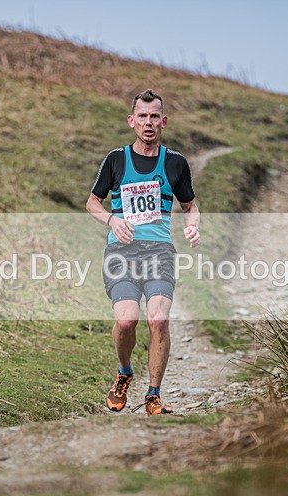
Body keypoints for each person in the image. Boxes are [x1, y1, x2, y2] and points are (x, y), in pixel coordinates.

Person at [86, 89, 200, 415]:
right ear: (131, 121)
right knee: (126, 322)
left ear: (163, 122)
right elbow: (92, 202)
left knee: (159, 320)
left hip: (160, 252)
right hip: (121, 253)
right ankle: (124, 373)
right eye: (142, 117)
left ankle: (153, 394)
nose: (148, 123)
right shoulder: (116, 160)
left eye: (154, 117)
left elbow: (190, 206)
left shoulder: (175, 163)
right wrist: (111, 220)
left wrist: (193, 225)